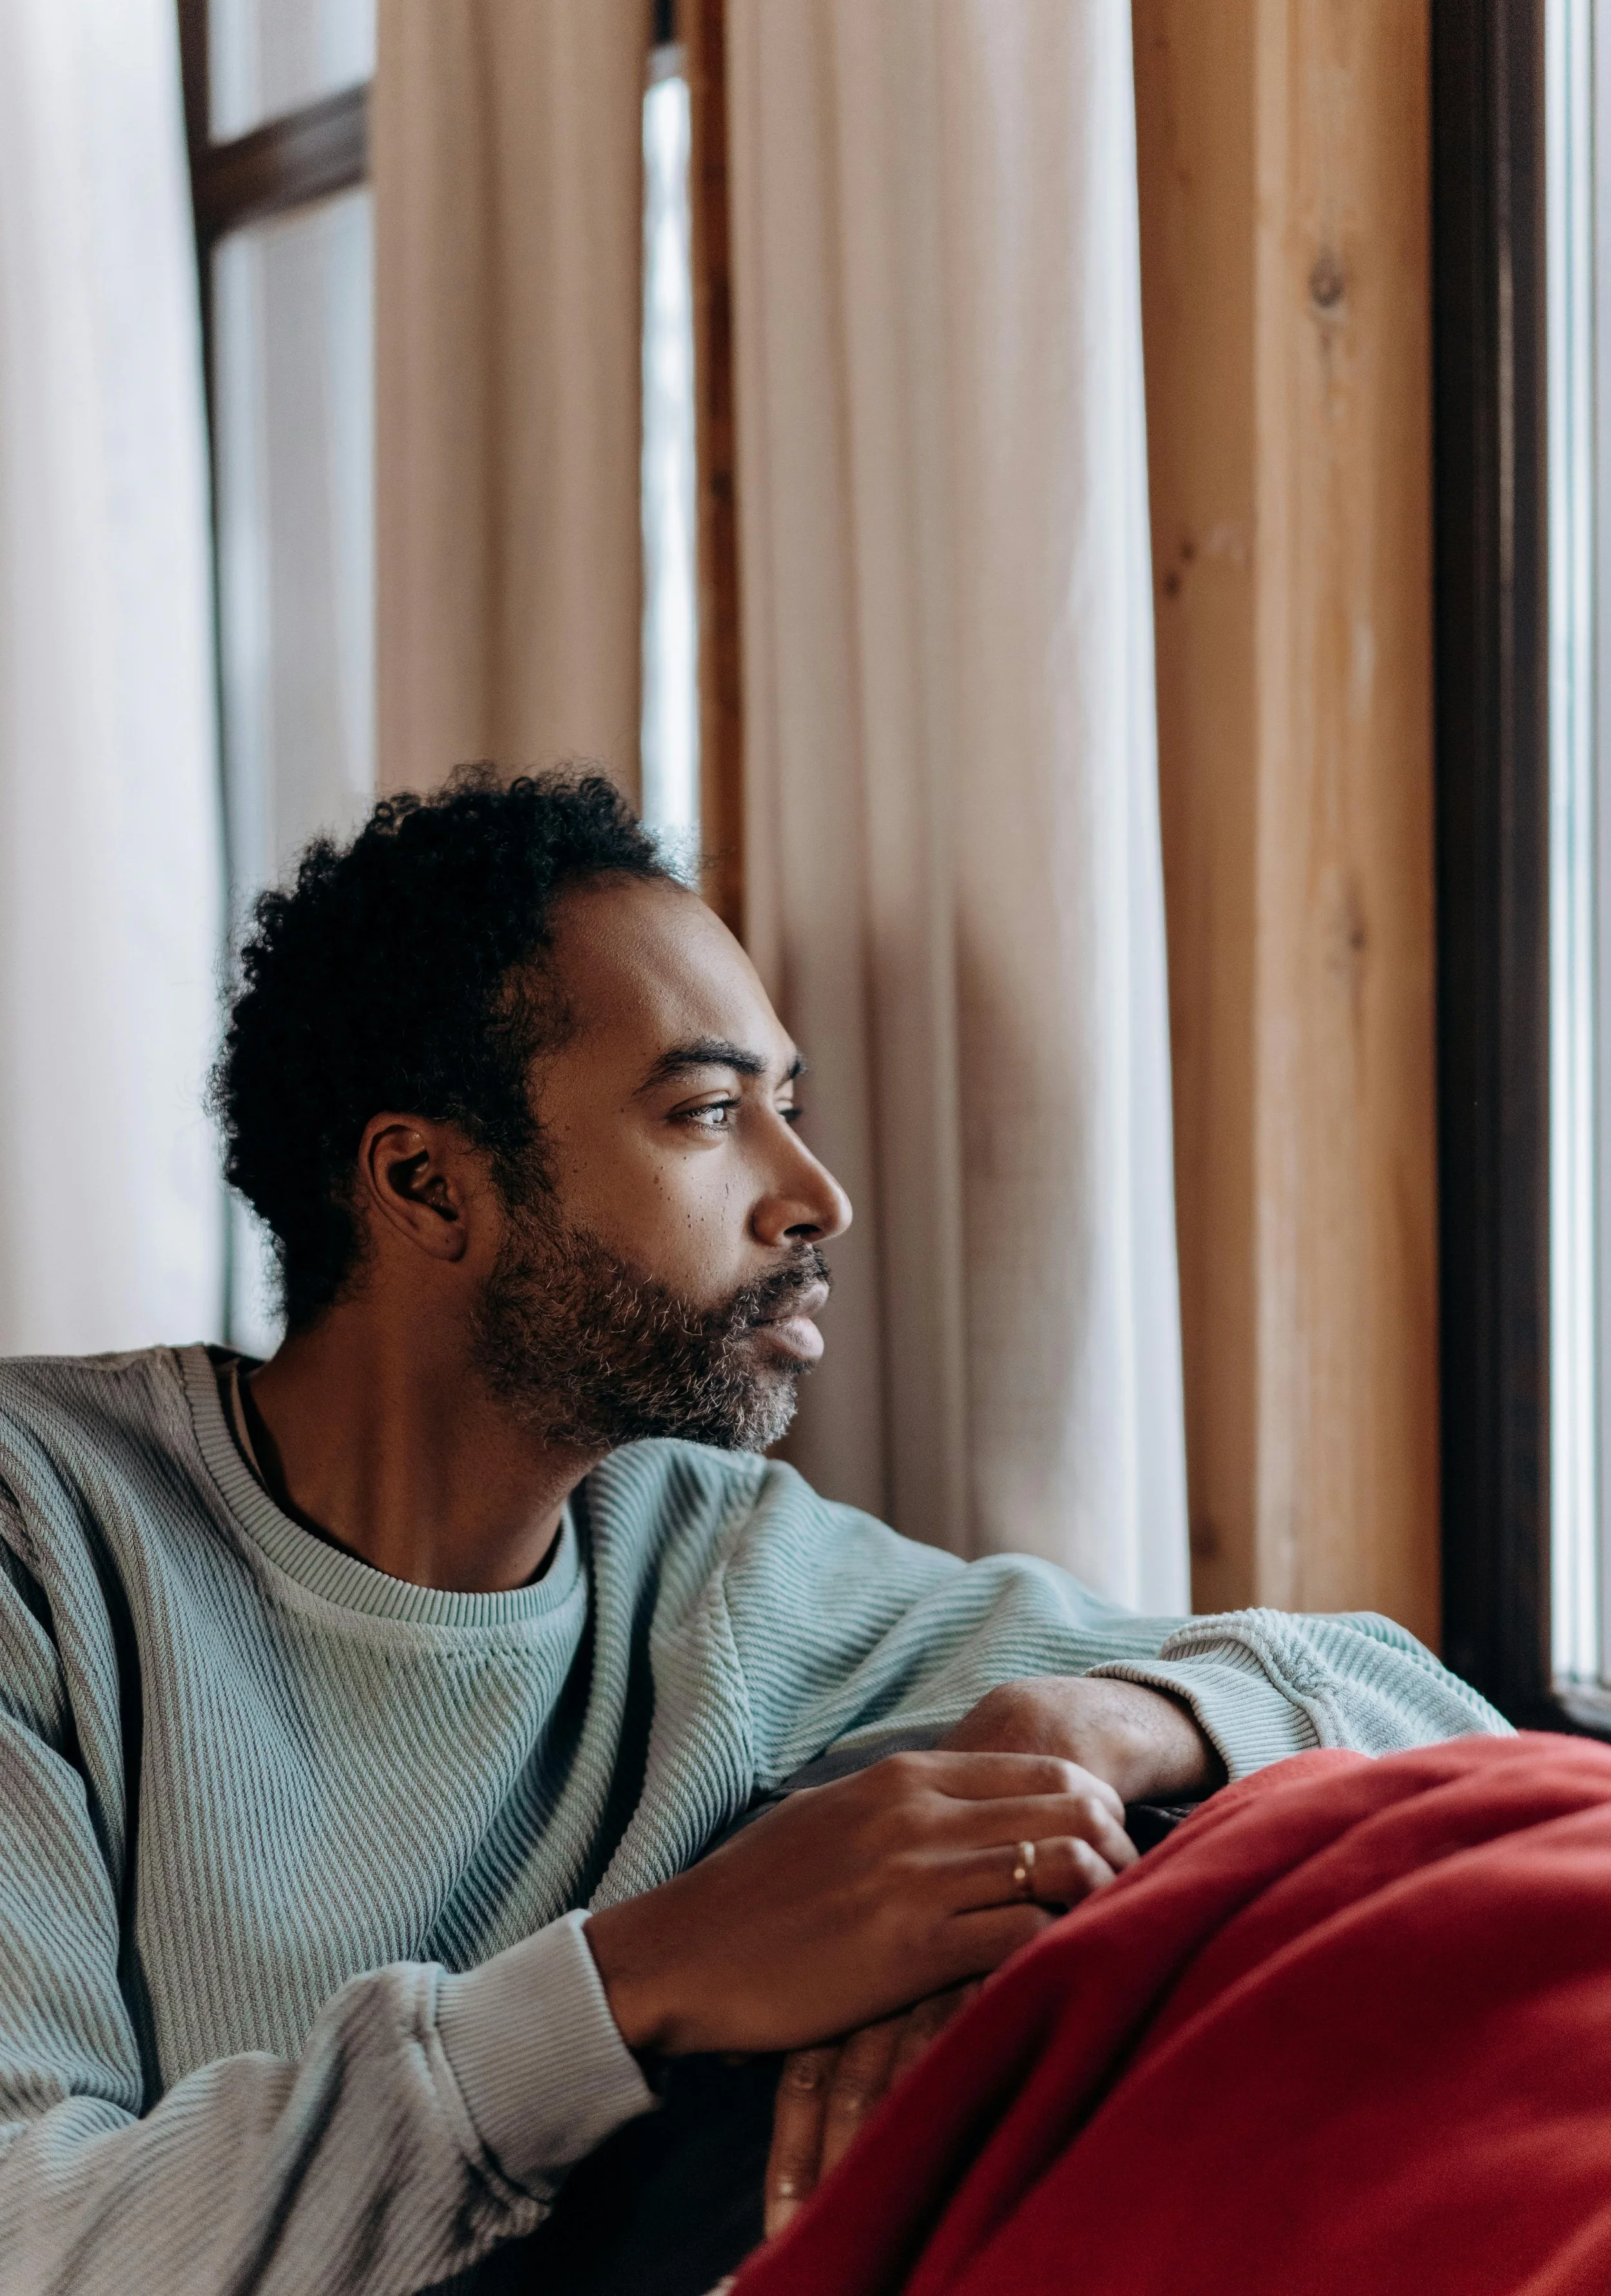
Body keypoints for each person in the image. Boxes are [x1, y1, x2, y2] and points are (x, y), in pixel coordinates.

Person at [0, 772, 1505, 2295]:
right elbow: (35, 2235)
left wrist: (1096, 1719)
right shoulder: (39, 1537)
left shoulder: (719, 1562)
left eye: (784, 1108)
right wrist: (646, 1976)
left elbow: (1425, 1717)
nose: (815, 1196)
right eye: (709, 1113)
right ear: (426, 1185)